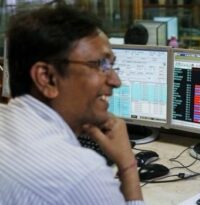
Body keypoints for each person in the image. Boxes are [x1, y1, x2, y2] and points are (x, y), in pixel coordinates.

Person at [0, 5, 144, 205]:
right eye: (100, 65)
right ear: (47, 78)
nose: (116, 80)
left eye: (111, 65)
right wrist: (128, 166)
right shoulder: (80, 173)